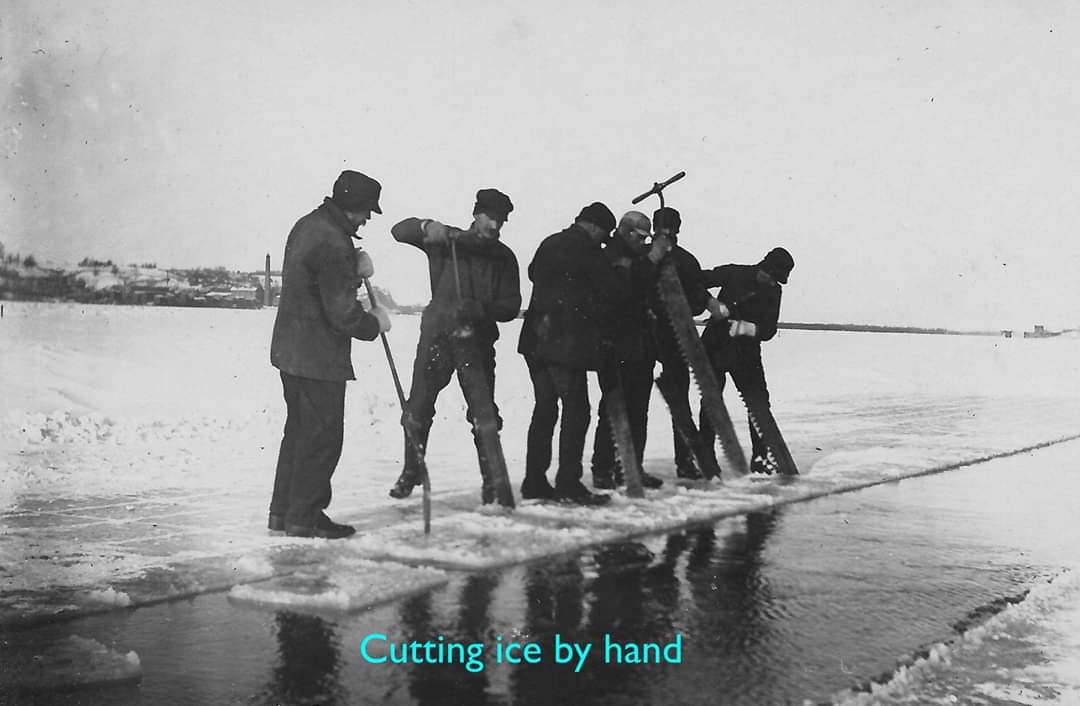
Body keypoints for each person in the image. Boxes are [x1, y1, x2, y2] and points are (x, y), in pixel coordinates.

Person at [268, 170, 392, 539]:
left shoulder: (309, 225)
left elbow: (317, 280)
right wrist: (374, 324)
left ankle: (283, 514)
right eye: (366, 210)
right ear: (351, 206)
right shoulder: (334, 241)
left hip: (291, 351)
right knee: (321, 439)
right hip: (317, 357)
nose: (367, 218)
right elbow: (342, 313)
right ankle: (304, 517)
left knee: (299, 434)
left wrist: (353, 267)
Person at [387, 189, 521, 506]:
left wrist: (481, 309)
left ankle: (493, 483)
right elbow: (399, 230)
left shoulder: (503, 257)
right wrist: (427, 228)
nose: (495, 226)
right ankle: (412, 470)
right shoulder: (446, 243)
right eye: (490, 217)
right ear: (476, 214)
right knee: (417, 409)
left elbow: (511, 305)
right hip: (437, 337)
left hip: (476, 340)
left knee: (484, 414)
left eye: (501, 220)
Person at [518, 202, 628, 505]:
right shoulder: (589, 251)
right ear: (593, 227)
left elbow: (532, 273)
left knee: (545, 411)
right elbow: (613, 291)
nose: (602, 241)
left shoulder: (549, 242)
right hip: (565, 345)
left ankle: (534, 481)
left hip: (535, 342)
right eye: (603, 235)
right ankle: (568, 483)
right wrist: (619, 269)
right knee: (577, 410)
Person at [589, 211, 668, 490]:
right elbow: (626, 288)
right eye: (639, 237)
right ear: (626, 232)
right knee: (612, 409)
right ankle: (603, 469)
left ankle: (631, 468)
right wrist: (654, 256)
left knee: (638, 411)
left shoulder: (634, 257)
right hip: (616, 344)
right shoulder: (611, 256)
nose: (642, 242)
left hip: (640, 346)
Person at [648, 206, 728, 479]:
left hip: (650, 333)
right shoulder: (683, 259)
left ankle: (619, 466)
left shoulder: (644, 256)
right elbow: (696, 297)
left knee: (638, 399)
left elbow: (697, 293)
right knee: (677, 398)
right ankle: (685, 462)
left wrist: (705, 300)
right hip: (670, 334)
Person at [699, 247, 795, 474]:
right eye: (772, 277)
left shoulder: (774, 292)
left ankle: (761, 459)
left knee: (759, 403)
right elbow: (699, 280)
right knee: (711, 402)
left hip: (746, 353)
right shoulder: (734, 273)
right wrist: (712, 305)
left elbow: (769, 329)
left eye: (777, 280)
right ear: (764, 267)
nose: (772, 282)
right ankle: (707, 458)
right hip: (715, 346)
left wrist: (744, 328)